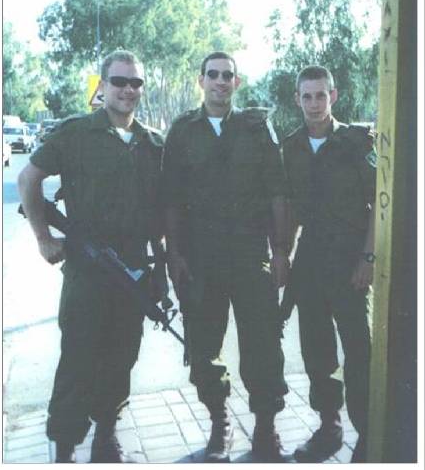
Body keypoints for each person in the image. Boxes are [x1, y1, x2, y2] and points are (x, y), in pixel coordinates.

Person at [17, 50, 167, 463]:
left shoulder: (152, 143)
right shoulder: (76, 134)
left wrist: (161, 270)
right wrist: (44, 238)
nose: (128, 90)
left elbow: (159, 214)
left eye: (135, 83)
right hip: (87, 268)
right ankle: (64, 450)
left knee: (122, 356)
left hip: (132, 269)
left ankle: (106, 438)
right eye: (119, 81)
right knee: (78, 359)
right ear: (102, 87)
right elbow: (28, 178)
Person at [162, 52, 292, 463]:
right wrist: (173, 254)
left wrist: (281, 251)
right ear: (201, 80)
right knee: (203, 345)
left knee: (263, 344)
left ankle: (266, 426)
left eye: (228, 75)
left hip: (251, 255)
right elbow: (170, 200)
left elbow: (278, 193)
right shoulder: (182, 131)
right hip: (201, 259)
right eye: (213, 74)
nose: (220, 81)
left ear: (237, 82)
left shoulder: (257, 128)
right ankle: (220, 421)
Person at [282, 65, 376, 463]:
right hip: (311, 263)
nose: (314, 103)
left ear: (333, 96)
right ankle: (329, 426)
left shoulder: (356, 141)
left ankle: (368, 433)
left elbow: (378, 204)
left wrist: (368, 257)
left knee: (359, 350)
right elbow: (289, 208)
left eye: (321, 95)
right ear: (297, 100)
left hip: (351, 262)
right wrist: (283, 255)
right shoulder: (291, 146)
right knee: (316, 349)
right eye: (307, 96)